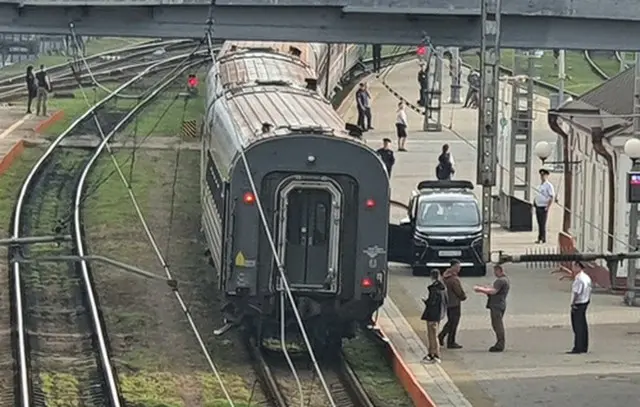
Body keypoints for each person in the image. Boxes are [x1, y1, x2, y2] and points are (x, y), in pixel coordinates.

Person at [473, 264, 510, 352]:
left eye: (495, 271)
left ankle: (500, 344)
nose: (494, 273)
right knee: (496, 324)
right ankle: (500, 342)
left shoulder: (500, 281)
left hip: (497, 305)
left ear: (499, 270)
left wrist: (480, 289)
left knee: (497, 325)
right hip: (500, 304)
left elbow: (493, 291)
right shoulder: (505, 280)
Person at [438, 260, 466, 349]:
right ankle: (450, 341)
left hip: (447, 302)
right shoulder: (454, 279)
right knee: (454, 323)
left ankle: (441, 336)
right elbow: (459, 291)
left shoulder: (444, 277)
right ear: (453, 267)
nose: (459, 269)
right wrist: (463, 296)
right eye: (458, 267)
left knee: (450, 321)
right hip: (455, 303)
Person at [421, 269, 448, 363]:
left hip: (432, 314)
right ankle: (432, 354)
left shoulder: (434, 289)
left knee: (432, 335)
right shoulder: (443, 288)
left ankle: (434, 355)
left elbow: (432, 302)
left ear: (431, 276)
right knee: (433, 334)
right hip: (439, 314)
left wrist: (426, 301)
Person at [568, 261, 592, 354]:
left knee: (577, 326)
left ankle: (578, 347)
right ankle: (584, 346)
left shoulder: (578, 279)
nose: (572, 268)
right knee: (583, 325)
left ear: (578, 266)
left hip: (578, 303)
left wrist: (572, 304)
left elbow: (576, 293)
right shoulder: (586, 277)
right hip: (585, 302)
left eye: (573, 266)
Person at [534, 168, 555, 244]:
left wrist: (548, 207)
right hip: (538, 206)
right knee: (539, 223)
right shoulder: (540, 186)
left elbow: (551, 196)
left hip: (544, 207)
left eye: (544, 175)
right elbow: (537, 195)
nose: (542, 177)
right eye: (541, 175)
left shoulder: (548, 185)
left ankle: (542, 238)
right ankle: (540, 237)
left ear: (547, 176)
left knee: (542, 223)